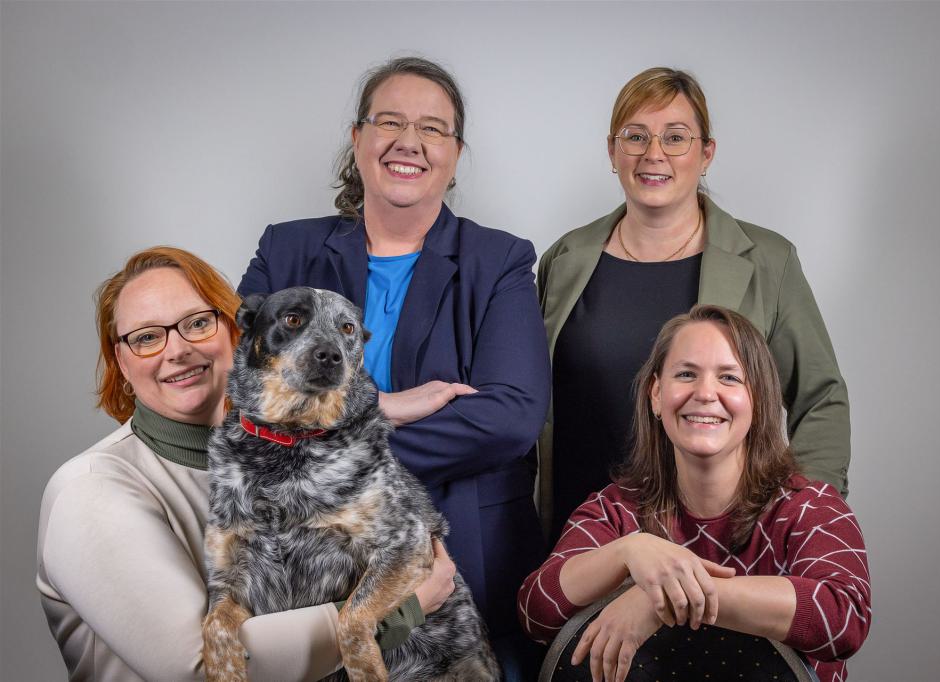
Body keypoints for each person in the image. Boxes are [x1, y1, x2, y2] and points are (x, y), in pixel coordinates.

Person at [237, 57, 551, 678]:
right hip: (304, 575)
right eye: (389, 122)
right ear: (358, 139)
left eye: (432, 128)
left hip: (458, 564)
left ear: (455, 153)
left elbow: (510, 416)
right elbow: (243, 388)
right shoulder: (286, 249)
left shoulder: (499, 262)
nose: (409, 141)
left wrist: (321, 459)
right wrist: (380, 407)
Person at [37, 246, 455, 681]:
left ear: (236, 333)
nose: (177, 350)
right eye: (146, 338)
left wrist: (370, 406)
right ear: (121, 363)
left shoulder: (264, 465)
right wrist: (404, 609)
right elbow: (196, 669)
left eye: (197, 323)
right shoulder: (90, 490)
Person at [538, 67, 850, 538]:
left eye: (675, 138)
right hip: (578, 536)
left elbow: (822, 397)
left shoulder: (768, 260)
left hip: (719, 541)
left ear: (706, 153)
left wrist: (805, 515)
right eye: (635, 136)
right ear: (612, 151)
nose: (653, 154)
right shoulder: (564, 258)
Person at [518, 305, 870, 682]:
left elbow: (843, 617)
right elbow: (536, 613)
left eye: (729, 377)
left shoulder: (811, 506)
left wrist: (664, 599)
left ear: (759, 399)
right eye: (686, 374)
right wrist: (627, 551)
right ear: (656, 394)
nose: (704, 393)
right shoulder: (614, 509)